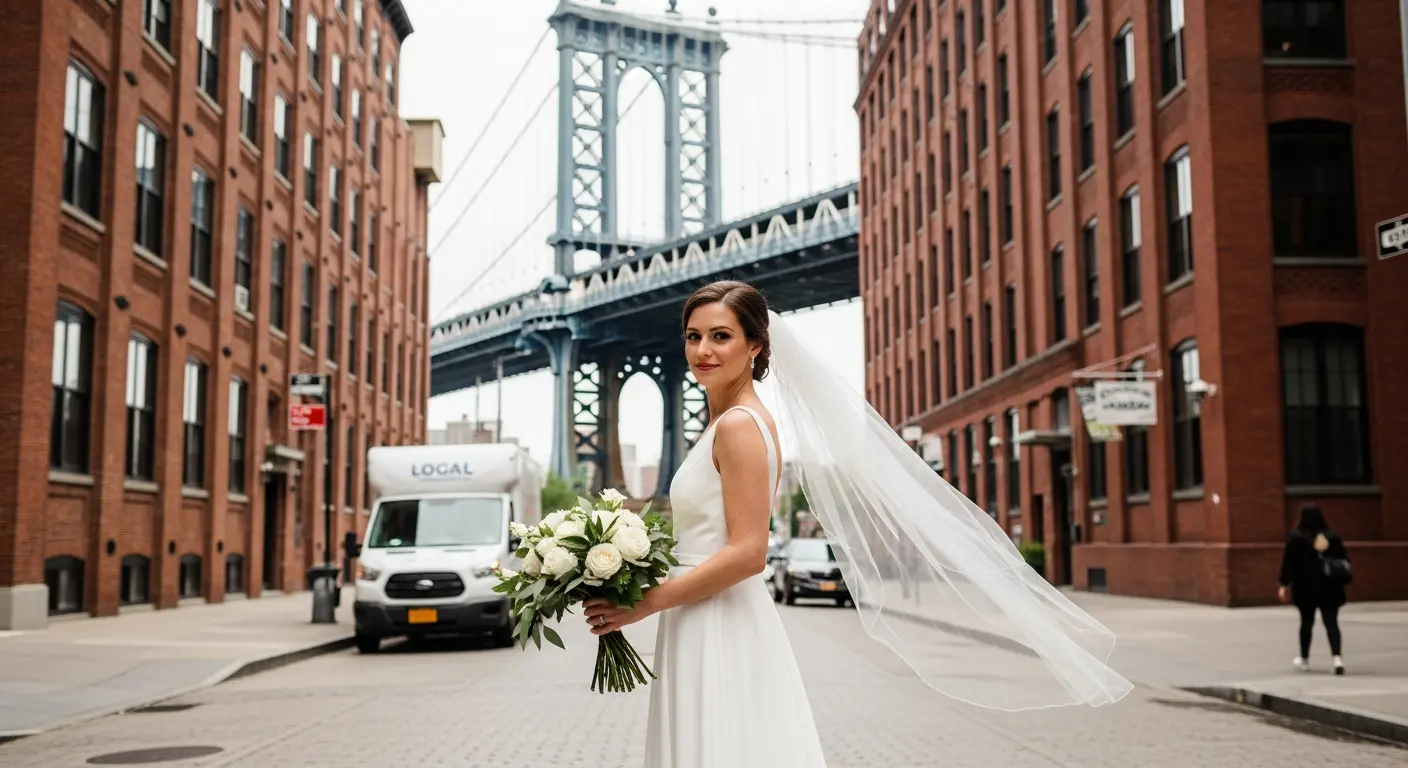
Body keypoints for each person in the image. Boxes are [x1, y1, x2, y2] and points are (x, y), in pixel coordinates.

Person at [583, 281, 1132, 767]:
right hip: (701, 615)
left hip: (717, 619)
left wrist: (649, 600)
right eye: (693, 335)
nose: (702, 350)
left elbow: (750, 552)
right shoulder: (729, 423)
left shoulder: (739, 427)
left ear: (755, 346)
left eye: (721, 336)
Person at [1278, 503, 1351, 675]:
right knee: (1332, 623)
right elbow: (1343, 560)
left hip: (1305, 587)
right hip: (1329, 587)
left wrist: (1283, 584)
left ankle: (1304, 659)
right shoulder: (1332, 537)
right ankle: (1337, 658)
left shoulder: (1296, 538)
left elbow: (1289, 563)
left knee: (1306, 623)